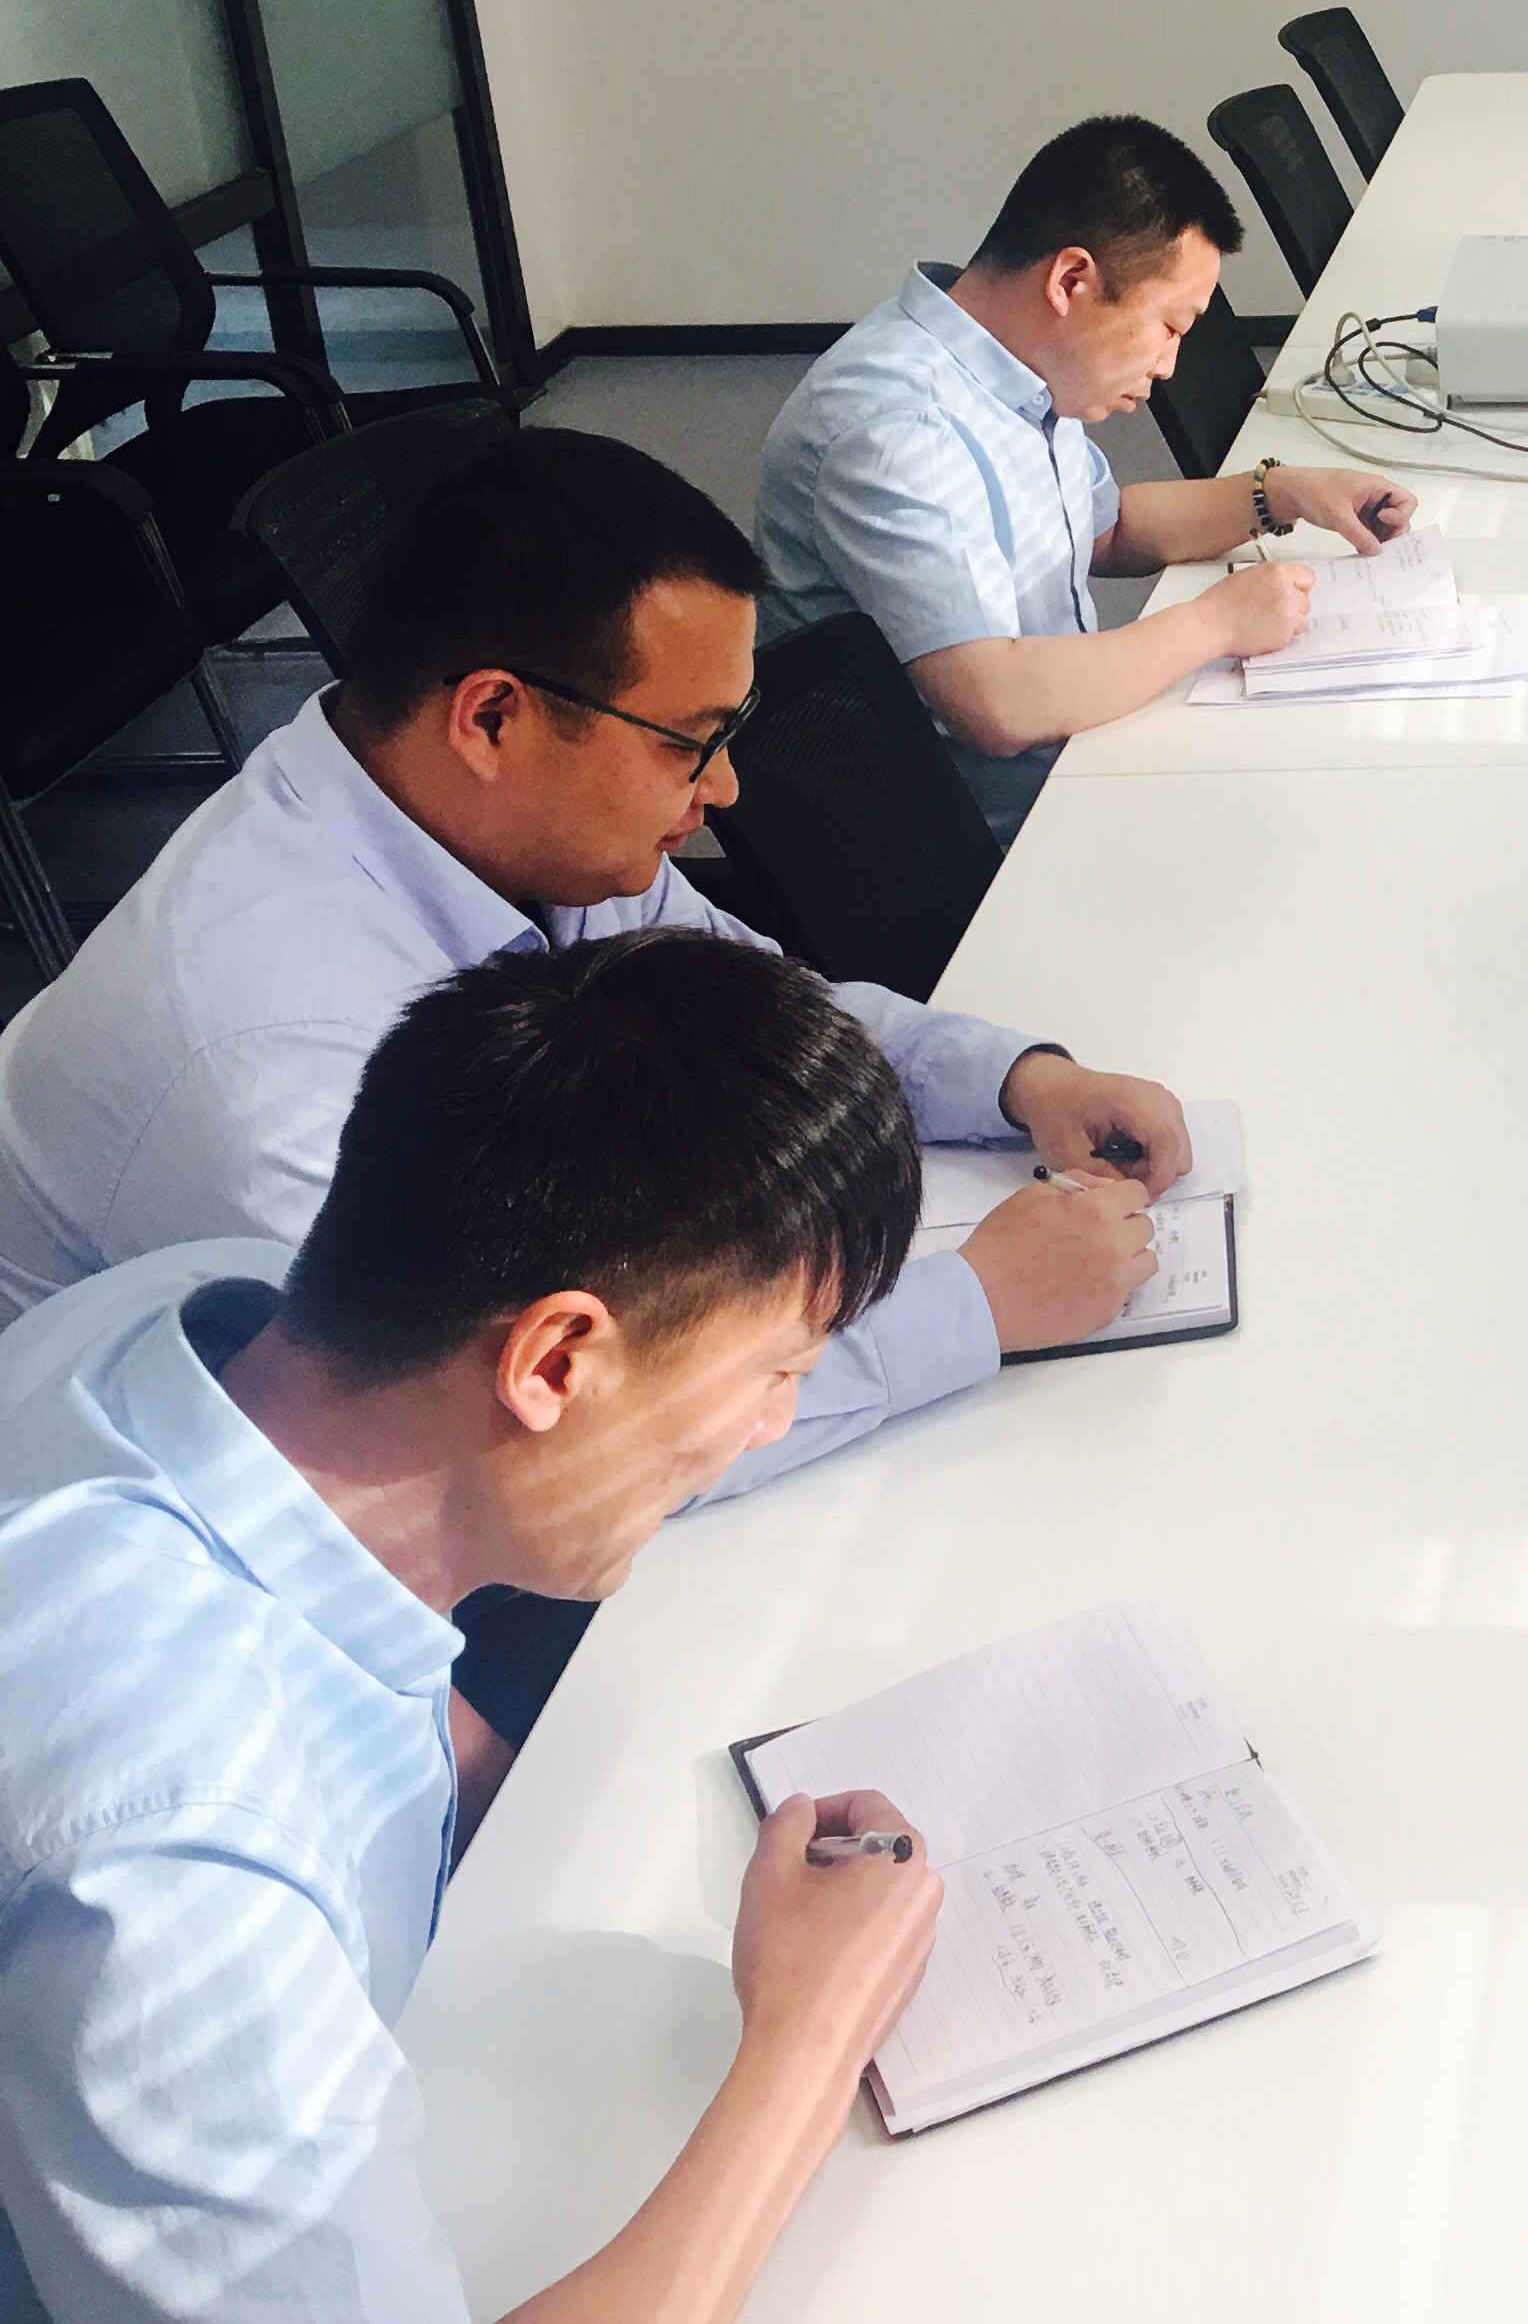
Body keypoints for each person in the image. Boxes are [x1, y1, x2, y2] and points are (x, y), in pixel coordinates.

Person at [0, 430, 1175, 1760]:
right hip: (215, 1620)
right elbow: (533, 1429)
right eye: (692, 744)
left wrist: (1017, 1080)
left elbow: (760, 1016)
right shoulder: (270, 1052)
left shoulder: (494, 820)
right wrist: (979, 1306)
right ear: (493, 718)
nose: (725, 788)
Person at [0, 933, 947, 2322]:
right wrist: (812, 2036)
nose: (769, 1425)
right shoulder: (186, 1880)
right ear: (555, 1358)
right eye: (774, 1371)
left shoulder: (204, 1310)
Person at [757, 113, 1421, 840]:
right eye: (1170, 327)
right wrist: (1217, 621)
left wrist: (1283, 493)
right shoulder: (894, 430)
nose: (1169, 366)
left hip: (1075, 760)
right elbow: (996, 704)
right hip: (984, 844)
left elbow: (1106, 531)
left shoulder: (1019, 366)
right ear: (1070, 280)